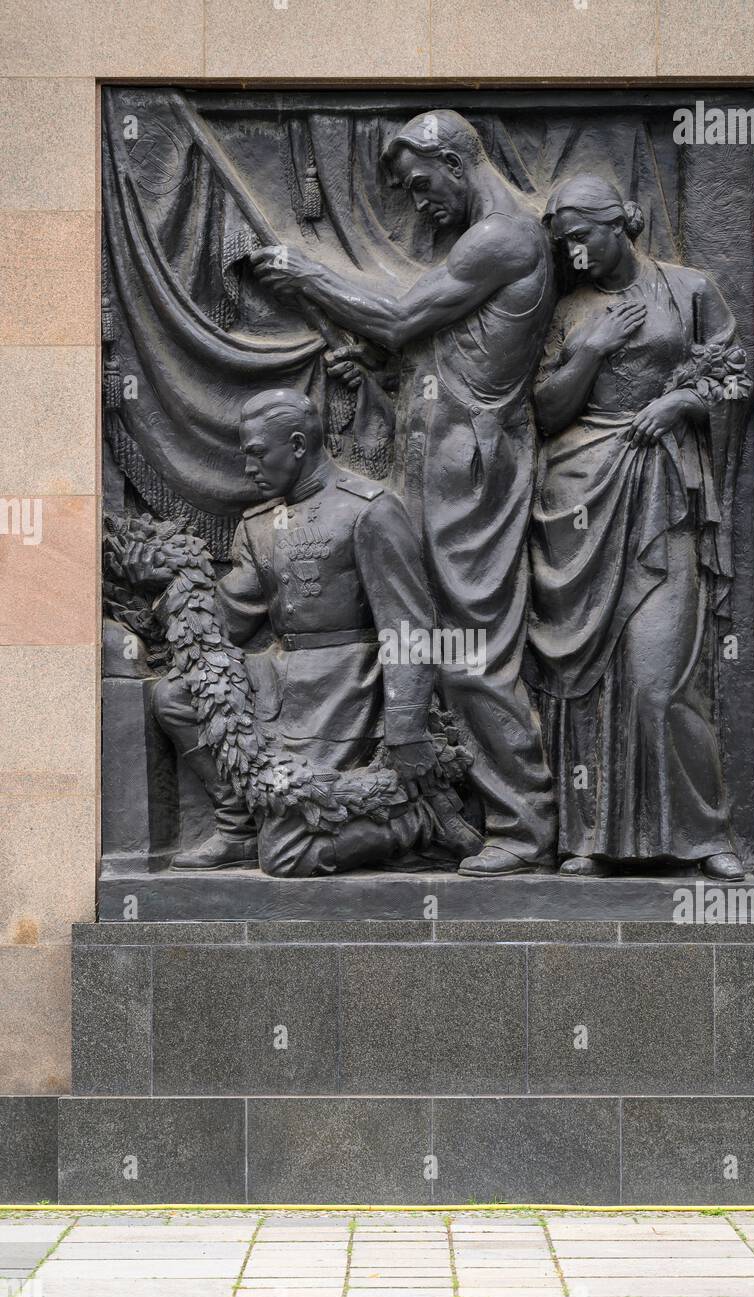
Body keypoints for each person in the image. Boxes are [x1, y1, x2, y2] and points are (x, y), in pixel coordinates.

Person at [248, 110, 556, 877]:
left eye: (423, 185)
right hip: (438, 462)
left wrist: (303, 268)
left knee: (470, 651)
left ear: (454, 160)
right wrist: (384, 384)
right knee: (425, 638)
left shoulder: (506, 236)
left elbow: (400, 316)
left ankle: (525, 824)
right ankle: (443, 808)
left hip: (471, 472)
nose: (421, 203)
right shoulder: (478, 244)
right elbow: (445, 353)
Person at [141, 388, 477, 876]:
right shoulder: (259, 525)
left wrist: (405, 726)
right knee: (176, 694)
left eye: (257, 453)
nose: (249, 466)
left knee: (286, 857)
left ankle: (417, 821)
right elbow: (230, 618)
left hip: (347, 688)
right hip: (281, 677)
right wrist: (168, 585)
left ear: (297, 445)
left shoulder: (369, 509)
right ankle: (239, 826)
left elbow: (409, 626)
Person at [525, 175, 750, 881]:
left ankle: (702, 834)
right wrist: (587, 349)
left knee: (660, 678)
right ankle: (587, 836)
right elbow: (547, 412)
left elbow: (737, 375)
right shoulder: (567, 309)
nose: (574, 251)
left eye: (581, 237)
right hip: (579, 495)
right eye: (564, 243)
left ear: (619, 224)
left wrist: (682, 400)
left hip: (661, 494)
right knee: (586, 681)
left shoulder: (688, 289)